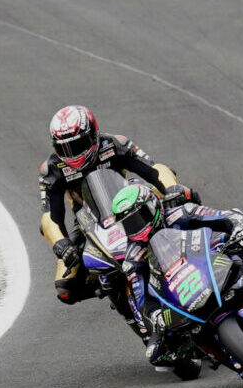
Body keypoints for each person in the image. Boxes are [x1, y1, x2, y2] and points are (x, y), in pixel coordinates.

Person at [111, 183, 243, 368]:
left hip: (216, 259)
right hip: (185, 292)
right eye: (129, 224)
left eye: (140, 218)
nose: (137, 227)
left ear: (152, 207)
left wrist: (239, 229)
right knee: (168, 346)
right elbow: (142, 299)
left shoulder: (180, 213)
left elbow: (228, 216)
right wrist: (154, 316)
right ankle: (231, 354)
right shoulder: (133, 258)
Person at [39, 105, 177, 310]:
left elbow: (155, 170)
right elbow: (50, 217)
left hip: (130, 202)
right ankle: (113, 286)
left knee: (176, 206)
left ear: (93, 134)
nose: (73, 154)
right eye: (65, 148)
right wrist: (62, 245)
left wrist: (174, 190)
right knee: (65, 288)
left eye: (78, 145)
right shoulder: (51, 169)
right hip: (88, 221)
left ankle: (190, 247)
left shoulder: (115, 144)